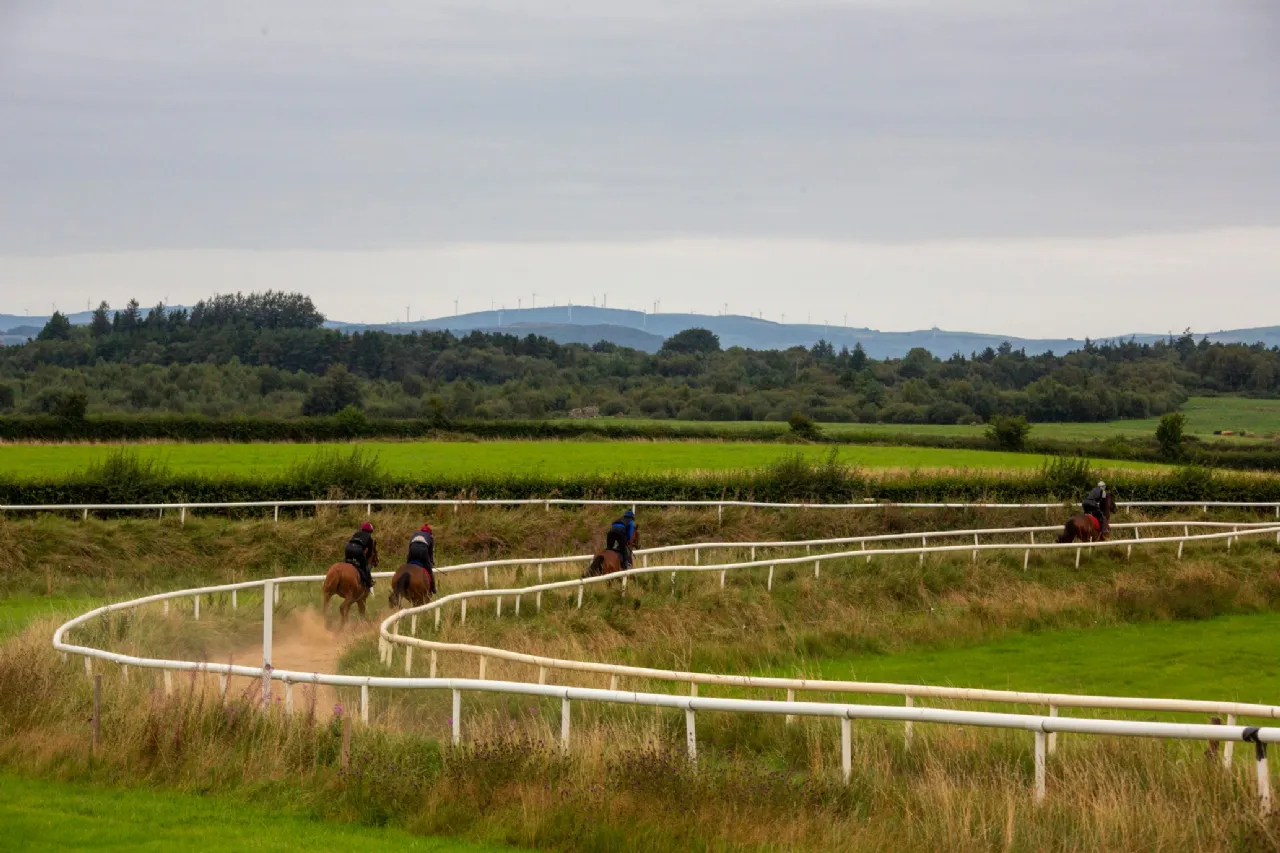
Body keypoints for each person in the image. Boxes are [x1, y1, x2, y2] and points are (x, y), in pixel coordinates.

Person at [345, 521, 377, 590]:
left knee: (347, 563)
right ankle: (369, 581)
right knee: (365, 566)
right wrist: (365, 559)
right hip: (358, 550)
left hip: (347, 548)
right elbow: (369, 553)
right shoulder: (369, 538)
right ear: (370, 531)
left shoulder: (356, 533)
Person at [406, 522, 437, 594]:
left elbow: (410, 546)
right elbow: (430, 552)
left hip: (412, 550)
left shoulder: (414, 534)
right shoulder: (430, 537)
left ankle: (404, 584)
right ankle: (433, 588)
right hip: (423, 551)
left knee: (407, 568)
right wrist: (431, 563)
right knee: (429, 571)